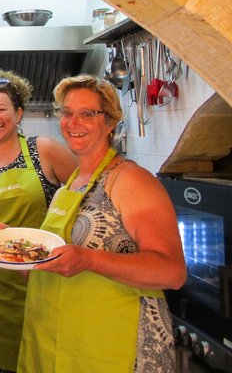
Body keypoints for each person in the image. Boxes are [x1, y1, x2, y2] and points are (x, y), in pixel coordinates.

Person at [17, 75, 186, 373]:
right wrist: (22, 252)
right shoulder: (68, 186)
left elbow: (172, 272)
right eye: (67, 113)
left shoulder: (130, 179)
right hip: (60, 342)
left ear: (110, 122)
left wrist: (90, 260)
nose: (73, 122)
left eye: (87, 114)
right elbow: (58, 257)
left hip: (112, 346)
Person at [0, 70, 78, 373]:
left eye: (1, 109)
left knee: (38, 359)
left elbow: (87, 199)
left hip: (39, 280)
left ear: (19, 112)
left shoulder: (45, 150)